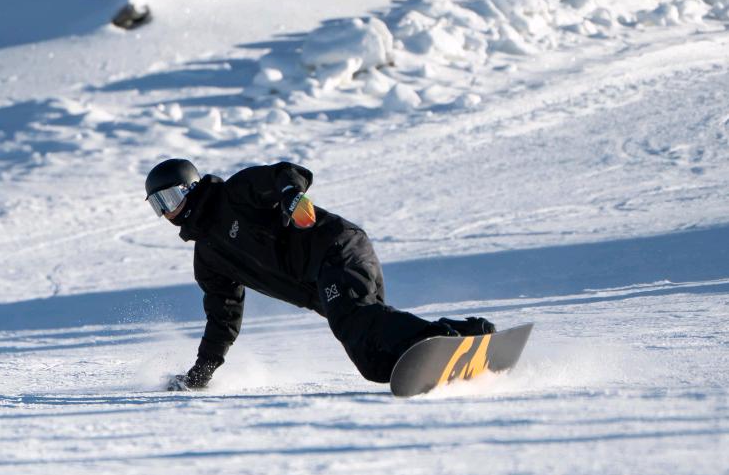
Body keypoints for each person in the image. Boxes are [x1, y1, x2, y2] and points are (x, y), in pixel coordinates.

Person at [145, 158, 495, 391]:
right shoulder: (207, 259)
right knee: (373, 362)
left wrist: (291, 195)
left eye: (171, 197)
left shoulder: (236, 193)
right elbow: (223, 318)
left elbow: (286, 172)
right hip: (323, 288)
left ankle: (448, 337)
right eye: (159, 205)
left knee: (356, 322)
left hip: (337, 249)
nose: (169, 212)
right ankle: (455, 343)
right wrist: (200, 374)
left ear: (190, 187)